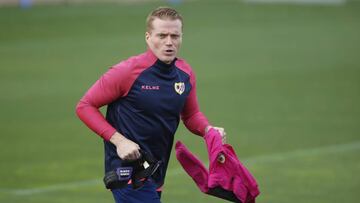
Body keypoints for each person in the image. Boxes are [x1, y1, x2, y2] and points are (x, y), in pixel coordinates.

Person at [76, 7, 226, 203]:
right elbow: (85, 106)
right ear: (148, 37)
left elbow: (190, 115)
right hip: (126, 170)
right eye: (162, 35)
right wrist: (119, 141)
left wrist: (208, 130)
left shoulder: (185, 73)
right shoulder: (127, 71)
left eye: (175, 36)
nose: (169, 42)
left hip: (155, 168)